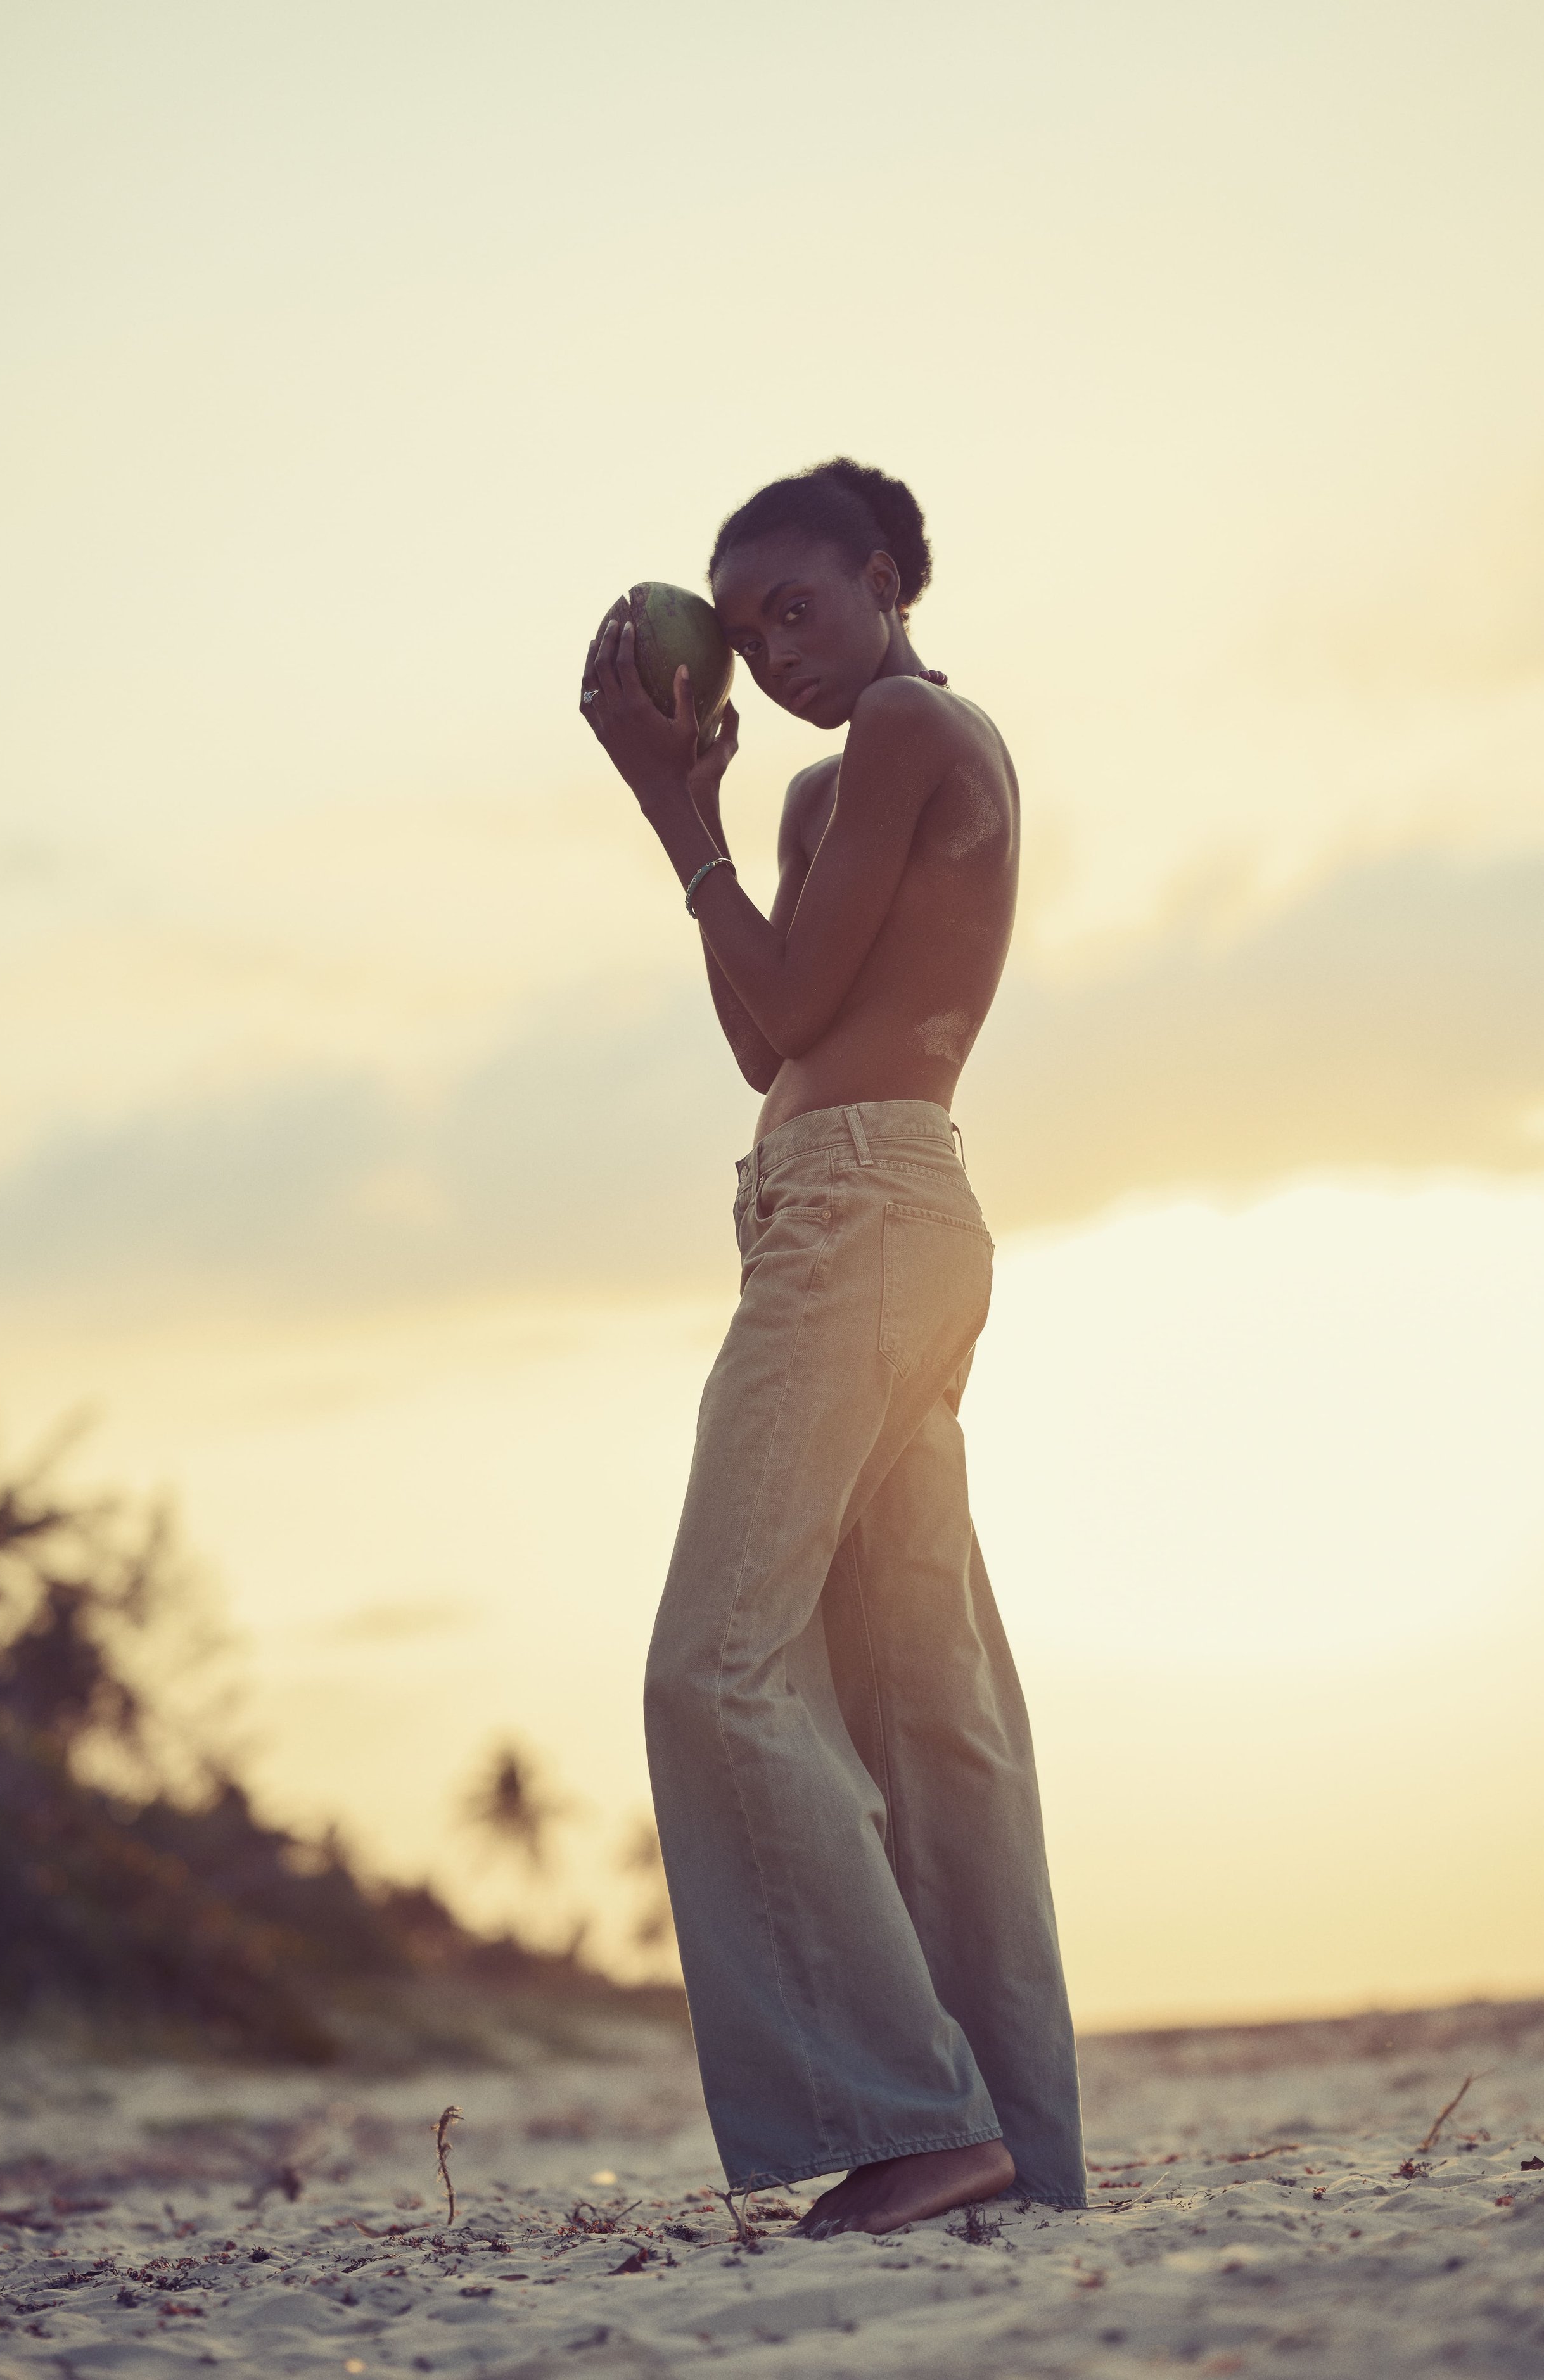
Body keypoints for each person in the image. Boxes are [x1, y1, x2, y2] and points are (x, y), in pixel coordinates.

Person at [579, 459, 1086, 2239]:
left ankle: (910, 2120)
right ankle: (1014, 2153)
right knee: (922, 1707)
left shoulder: (906, 728)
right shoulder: (825, 780)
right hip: (848, 1202)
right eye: (741, 629)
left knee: (711, 1663)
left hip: (863, 1209)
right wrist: (707, 817)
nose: (771, 648)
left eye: (796, 605)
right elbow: (762, 1037)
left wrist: (670, 816)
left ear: (882, 578)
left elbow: (791, 1009)